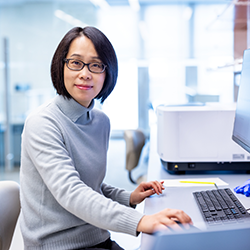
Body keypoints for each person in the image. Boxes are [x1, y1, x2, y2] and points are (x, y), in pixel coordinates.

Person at [19, 26, 193, 250]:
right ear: (60, 66)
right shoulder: (42, 123)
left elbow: (91, 185)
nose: (85, 73)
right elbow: (71, 192)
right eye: (75, 62)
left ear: (107, 73)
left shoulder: (100, 121)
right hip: (57, 246)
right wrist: (140, 221)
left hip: (97, 239)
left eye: (96, 65)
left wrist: (129, 197)